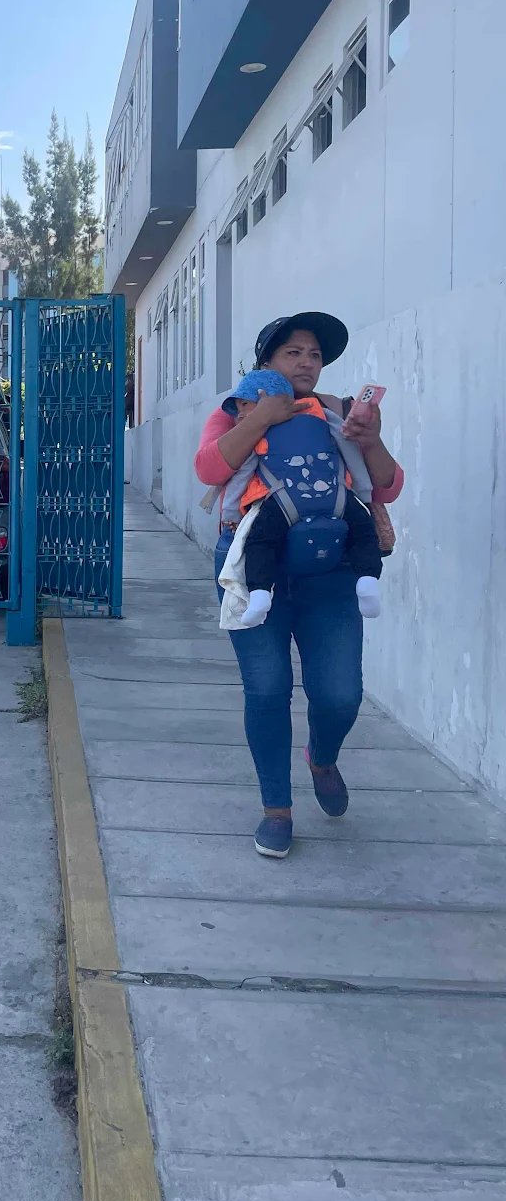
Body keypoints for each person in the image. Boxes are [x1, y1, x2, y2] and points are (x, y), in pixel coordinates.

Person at [195, 315, 403, 859]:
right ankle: (276, 810)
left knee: (340, 694)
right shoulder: (237, 409)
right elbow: (209, 469)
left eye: (314, 354)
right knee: (267, 689)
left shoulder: (336, 413)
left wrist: (371, 439)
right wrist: (264, 416)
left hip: (330, 571)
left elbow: (387, 484)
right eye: (293, 352)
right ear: (266, 362)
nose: (307, 362)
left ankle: (322, 757)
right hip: (254, 568)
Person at [220, 369, 384, 626]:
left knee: (260, 543)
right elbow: (348, 448)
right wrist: (362, 492)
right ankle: (368, 581)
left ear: (267, 400)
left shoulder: (259, 432)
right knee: (364, 533)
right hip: (336, 496)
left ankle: (260, 595)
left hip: (282, 502)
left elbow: (243, 473)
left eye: (245, 405)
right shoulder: (322, 414)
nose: (240, 414)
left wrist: (230, 511)